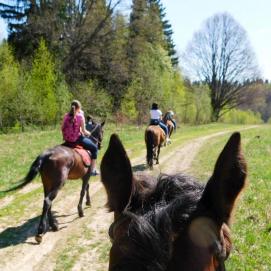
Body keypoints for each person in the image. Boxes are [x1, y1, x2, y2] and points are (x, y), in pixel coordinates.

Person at [61, 100, 99, 175]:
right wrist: (89, 133)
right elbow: (84, 131)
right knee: (94, 148)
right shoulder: (80, 116)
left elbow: (62, 128)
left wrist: (64, 136)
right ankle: (92, 170)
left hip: (67, 140)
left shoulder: (66, 115)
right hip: (77, 140)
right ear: (79, 108)